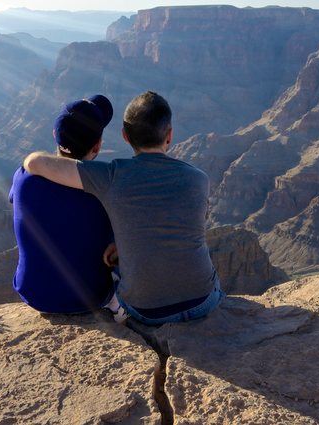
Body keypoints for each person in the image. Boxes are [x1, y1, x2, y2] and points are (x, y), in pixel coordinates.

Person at [23, 91, 225, 325]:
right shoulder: (199, 179)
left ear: (125, 137)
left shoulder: (110, 175)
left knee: (115, 277)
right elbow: (177, 224)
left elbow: (35, 163)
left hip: (147, 312)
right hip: (202, 302)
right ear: (169, 136)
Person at [9, 95, 115, 314]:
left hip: (34, 293)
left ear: (55, 134)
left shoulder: (22, 176)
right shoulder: (104, 188)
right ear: (97, 146)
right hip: (91, 297)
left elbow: (15, 198)